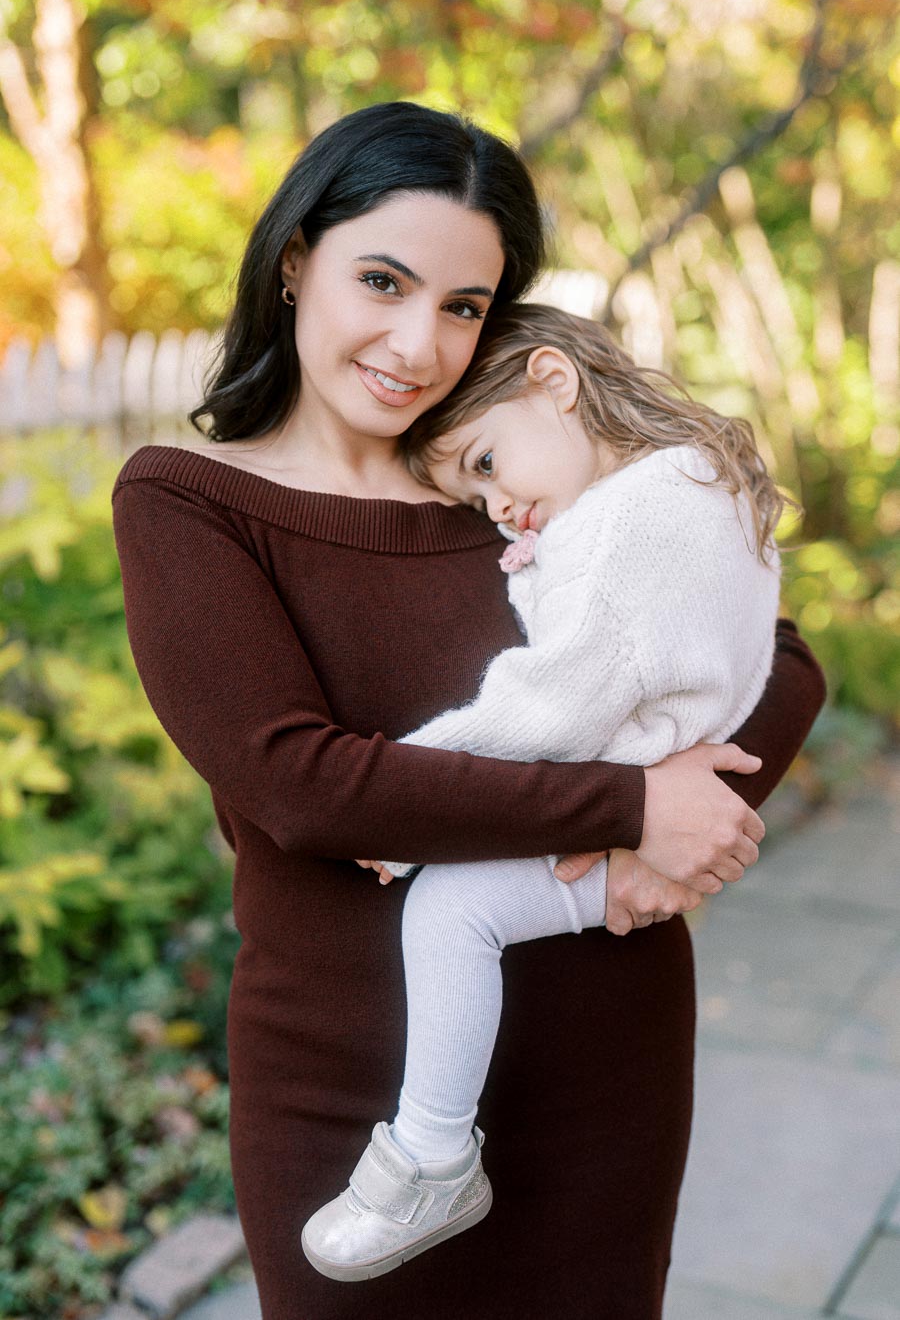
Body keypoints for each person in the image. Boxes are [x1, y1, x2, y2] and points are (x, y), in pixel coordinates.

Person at [111, 101, 825, 1320]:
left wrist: (685, 844)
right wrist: (637, 807)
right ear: (296, 262)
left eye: (463, 306)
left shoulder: (509, 474)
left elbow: (779, 656)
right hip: (354, 1088)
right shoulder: (193, 503)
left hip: (607, 1061)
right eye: (381, 280)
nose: (418, 342)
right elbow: (300, 785)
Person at [300, 300, 784, 1281]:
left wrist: (410, 800)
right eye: (476, 502)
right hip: (651, 796)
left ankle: (431, 1153)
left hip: (620, 821)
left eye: (486, 465)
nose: (499, 510)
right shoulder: (701, 480)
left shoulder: (620, 528)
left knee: (445, 913)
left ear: (554, 383)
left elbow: (550, 707)